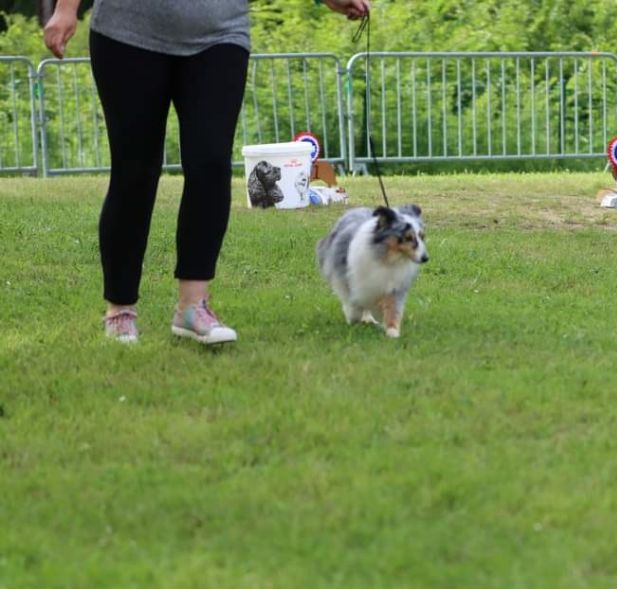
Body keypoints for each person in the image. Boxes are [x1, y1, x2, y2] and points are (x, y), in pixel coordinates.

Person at [43, 0, 371, 345]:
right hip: (128, 32)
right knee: (134, 170)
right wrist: (66, 8)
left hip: (220, 31)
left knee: (211, 163)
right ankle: (120, 309)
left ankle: (192, 305)